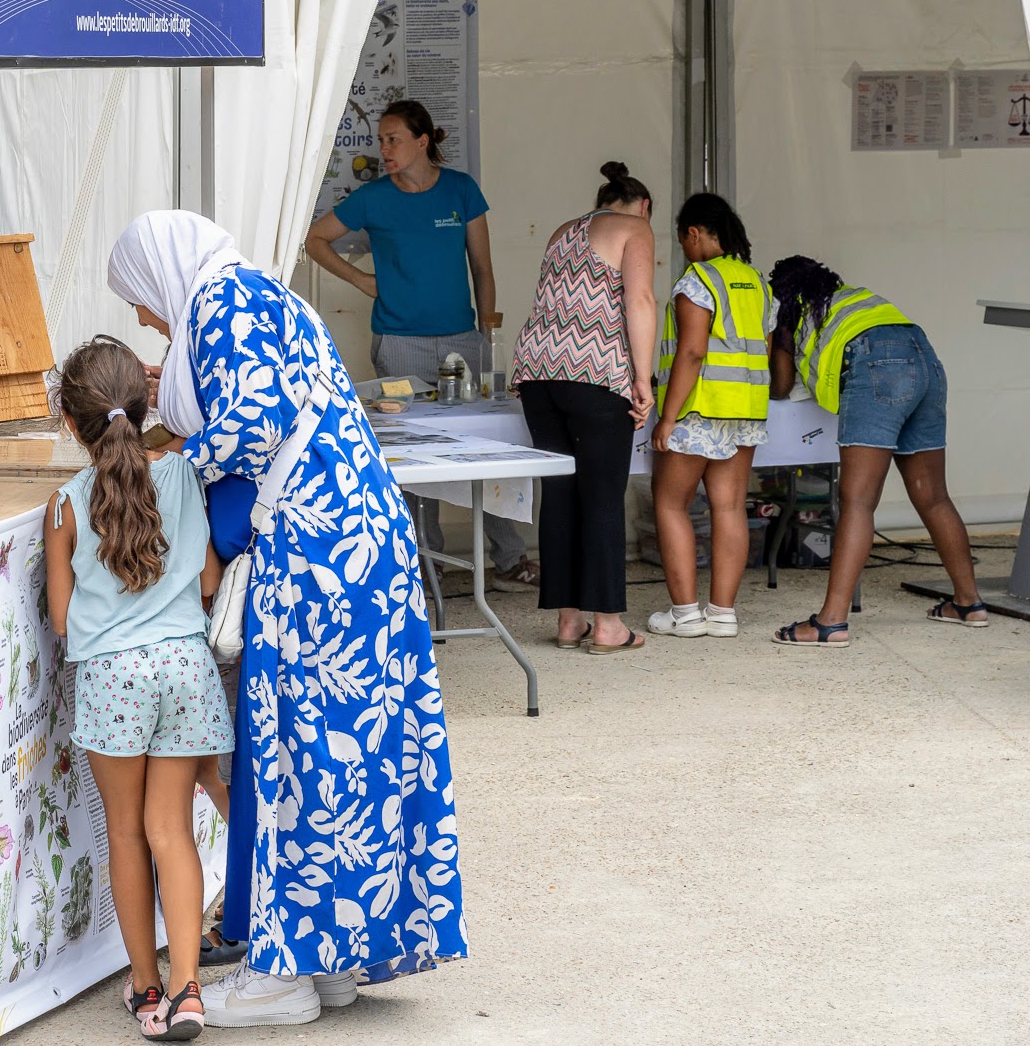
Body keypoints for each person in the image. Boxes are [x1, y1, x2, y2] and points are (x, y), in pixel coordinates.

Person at [109, 211, 467, 1028]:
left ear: (162, 272)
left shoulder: (224, 304)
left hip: (316, 555)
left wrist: (161, 467)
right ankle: (332, 955)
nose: (142, 316)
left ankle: (284, 976)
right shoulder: (263, 296)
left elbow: (254, 421)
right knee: (355, 749)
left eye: (140, 298)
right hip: (356, 544)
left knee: (301, 746)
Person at [44, 337, 233, 1041]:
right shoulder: (183, 476)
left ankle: (145, 987)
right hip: (185, 668)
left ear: (70, 421)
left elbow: (62, 619)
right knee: (171, 831)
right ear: (146, 400)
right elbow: (210, 581)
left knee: (126, 835)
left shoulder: (65, 506)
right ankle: (189, 991)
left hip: (114, 678)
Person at [306, 99, 539, 589]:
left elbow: (483, 268)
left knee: (483, 449)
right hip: (399, 343)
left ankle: (510, 559)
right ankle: (424, 569)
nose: (385, 150)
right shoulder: (373, 198)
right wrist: (362, 280)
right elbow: (315, 240)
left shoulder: (460, 190)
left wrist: (487, 332)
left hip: (463, 340)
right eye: (381, 141)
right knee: (410, 458)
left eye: (393, 140)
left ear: (422, 141)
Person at [767, 256, 987, 646]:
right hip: (926, 360)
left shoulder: (793, 318)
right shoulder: (855, 299)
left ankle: (830, 622)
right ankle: (968, 604)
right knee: (933, 495)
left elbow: (780, 387)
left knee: (857, 501)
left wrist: (775, 343)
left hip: (875, 365)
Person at [511, 161, 658, 655]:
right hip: (594, 373)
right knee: (601, 495)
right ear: (644, 207)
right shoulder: (635, 229)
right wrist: (642, 379)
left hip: (538, 373)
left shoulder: (562, 231)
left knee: (561, 494)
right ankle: (610, 624)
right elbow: (639, 301)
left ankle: (569, 619)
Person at [648, 193, 774, 640]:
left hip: (699, 410)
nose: (685, 249)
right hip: (745, 411)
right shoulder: (757, 281)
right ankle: (722, 613)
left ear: (695, 233)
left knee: (670, 503)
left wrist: (668, 417)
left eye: (684, 239)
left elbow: (693, 351)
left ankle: (685, 615)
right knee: (728, 506)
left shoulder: (697, 280)